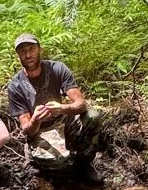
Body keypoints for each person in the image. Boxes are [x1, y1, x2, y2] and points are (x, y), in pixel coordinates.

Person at [7, 33, 102, 181]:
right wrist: (35, 119)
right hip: (40, 131)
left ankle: (84, 164)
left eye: (31, 49)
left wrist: (62, 108)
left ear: (40, 50)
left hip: (63, 120)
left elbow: (81, 104)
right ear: (18, 56)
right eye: (23, 51)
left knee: (92, 116)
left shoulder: (57, 68)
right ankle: (34, 157)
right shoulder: (15, 86)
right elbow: (26, 129)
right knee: (58, 162)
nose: (28, 55)